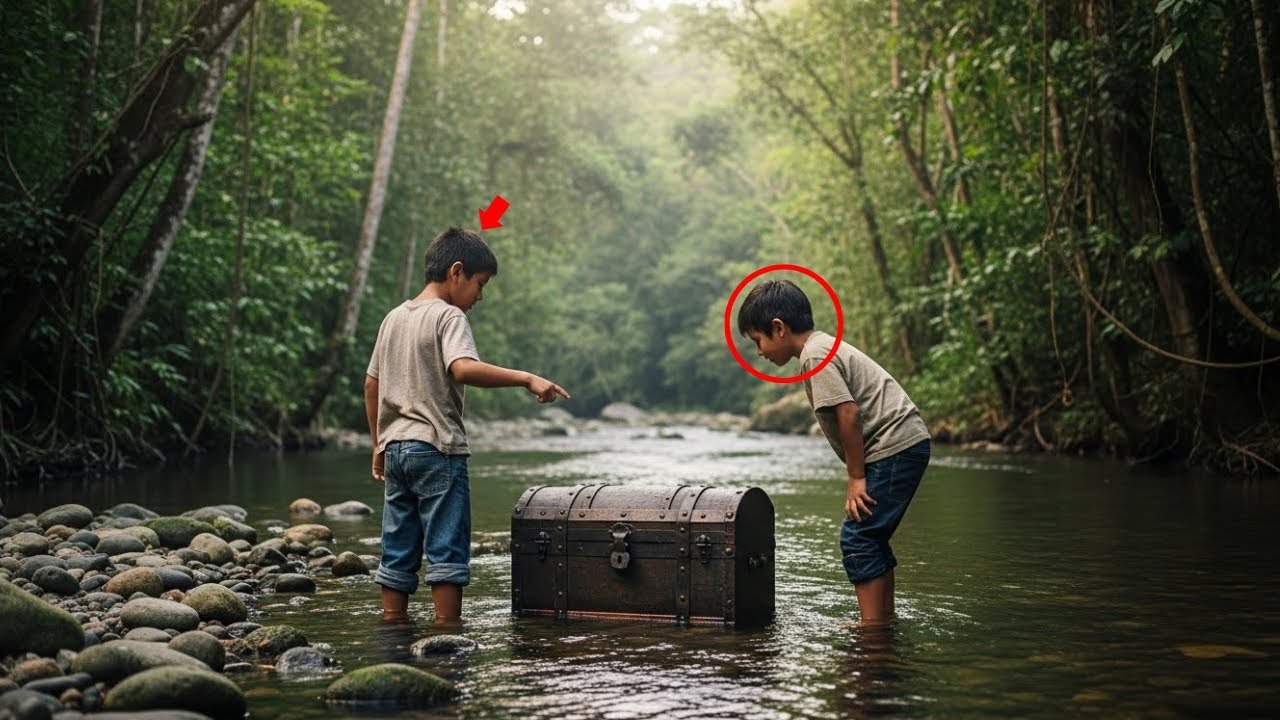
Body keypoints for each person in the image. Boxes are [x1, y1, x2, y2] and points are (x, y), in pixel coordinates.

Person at [364, 227, 570, 623]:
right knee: (446, 547)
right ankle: (447, 632)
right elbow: (462, 368)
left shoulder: (393, 318)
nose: (480, 295)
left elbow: (371, 384)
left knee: (397, 547)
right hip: (438, 449)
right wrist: (526, 378)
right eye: (480, 283)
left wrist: (378, 443)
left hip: (395, 451)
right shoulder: (448, 315)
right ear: (456, 272)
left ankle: (393, 631)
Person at [737, 279, 929, 626]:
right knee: (871, 534)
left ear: (778, 328)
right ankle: (883, 621)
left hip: (894, 444)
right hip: (904, 441)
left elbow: (848, 413)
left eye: (758, 341)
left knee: (858, 536)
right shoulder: (821, 347)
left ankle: (872, 631)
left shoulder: (815, 355)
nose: (760, 352)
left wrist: (856, 477)